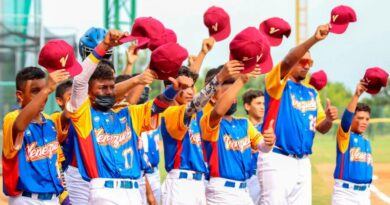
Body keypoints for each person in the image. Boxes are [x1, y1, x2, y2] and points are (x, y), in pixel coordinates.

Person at [67, 29, 191, 205]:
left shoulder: (129, 112)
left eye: (111, 87)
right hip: (104, 191)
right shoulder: (84, 116)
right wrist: (105, 45)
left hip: (133, 191)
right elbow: (79, 81)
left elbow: (158, 106)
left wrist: (174, 89)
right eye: (102, 88)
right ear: (89, 92)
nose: (109, 91)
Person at [258, 24, 339, 205]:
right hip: (278, 158)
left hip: (303, 162)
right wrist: (314, 40)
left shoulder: (311, 92)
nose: (306, 66)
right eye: (302, 61)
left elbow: (321, 128)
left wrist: (328, 119)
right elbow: (287, 61)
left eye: (309, 63)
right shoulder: (278, 84)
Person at [160, 62, 240, 205]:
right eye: (184, 88)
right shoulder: (170, 113)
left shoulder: (197, 116)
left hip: (199, 183)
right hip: (180, 185)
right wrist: (220, 77)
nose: (191, 91)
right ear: (170, 89)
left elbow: (216, 106)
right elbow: (196, 103)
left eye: (192, 87)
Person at [200, 69, 276, 205]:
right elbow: (218, 111)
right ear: (212, 98)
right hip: (220, 191)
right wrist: (240, 80)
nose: (233, 97)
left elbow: (263, 146)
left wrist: (269, 142)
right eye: (227, 94)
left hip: (243, 190)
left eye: (234, 93)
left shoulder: (244, 123)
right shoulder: (209, 121)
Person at [3, 67, 70, 204]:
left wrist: (64, 196)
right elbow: (20, 125)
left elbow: (56, 164)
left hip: (53, 198)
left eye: (43, 90)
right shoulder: (12, 118)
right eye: (35, 91)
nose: (43, 97)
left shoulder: (50, 121)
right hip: (26, 199)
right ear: (20, 95)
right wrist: (46, 89)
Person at [332, 80, 372, 205]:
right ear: (353, 119)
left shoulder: (366, 142)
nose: (364, 121)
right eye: (360, 118)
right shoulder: (345, 137)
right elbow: (345, 120)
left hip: (365, 195)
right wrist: (356, 95)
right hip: (345, 194)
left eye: (367, 119)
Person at [242, 89, 265, 204]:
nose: (262, 107)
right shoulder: (242, 127)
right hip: (250, 178)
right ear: (247, 106)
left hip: (268, 176)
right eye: (258, 103)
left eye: (264, 103)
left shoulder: (271, 128)